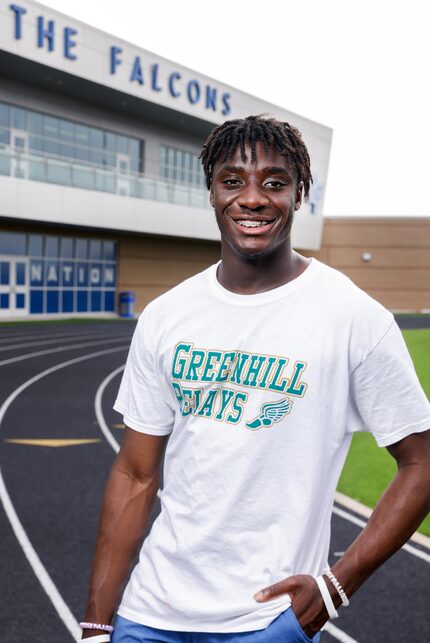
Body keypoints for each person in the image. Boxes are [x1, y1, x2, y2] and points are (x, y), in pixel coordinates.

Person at [80, 115, 430, 643]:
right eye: (232, 181)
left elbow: (422, 461)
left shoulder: (353, 317)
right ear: (212, 192)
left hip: (266, 623)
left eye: (274, 182)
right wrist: (96, 624)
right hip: (148, 614)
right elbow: (134, 475)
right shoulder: (167, 315)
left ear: (299, 194)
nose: (252, 198)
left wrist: (337, 586)